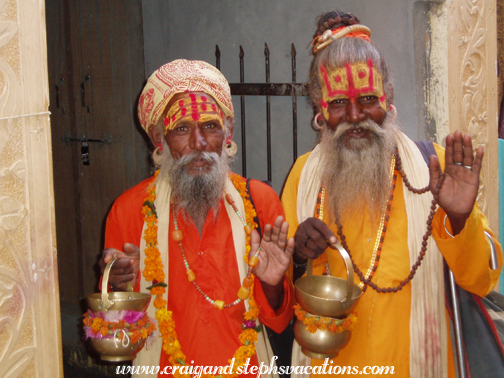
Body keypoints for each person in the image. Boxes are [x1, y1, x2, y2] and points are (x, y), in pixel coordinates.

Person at [281, 11, 503, 378]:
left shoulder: (434, 168)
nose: (355, 115)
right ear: (320, 110)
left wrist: (459, 221)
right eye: (338, 103)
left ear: (388, 98)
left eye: (367, 98)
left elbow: (483, 280)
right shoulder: (304, 176)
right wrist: (297, 256)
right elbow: (278, 292)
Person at [99, 59, 294, 377]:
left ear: (227, 134)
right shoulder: (129, 210)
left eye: (210, 126)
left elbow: (279, 321)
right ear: (160, 141)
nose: (198, 143)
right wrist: (119, 292)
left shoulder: (259, 202)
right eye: (181, 129)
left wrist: (272, 286)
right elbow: (117, 337)